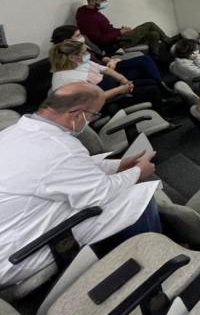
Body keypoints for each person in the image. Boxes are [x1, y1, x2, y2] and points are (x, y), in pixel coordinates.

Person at [0, 84, 160, 289]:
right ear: (77, 115)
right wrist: (138, 172)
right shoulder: (60, 148)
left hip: (15, 225)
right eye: (93, 116)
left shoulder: (18, 131)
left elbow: (65, 170)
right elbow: (101, 194)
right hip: (16, 254)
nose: (92, 120)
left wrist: (118, 165)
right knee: (139, 197)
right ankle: (152, 259)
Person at [49, 39, 163, 110]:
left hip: (114, 88)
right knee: (152, 90)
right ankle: (164, 118)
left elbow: (104, 69)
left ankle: (162, 106)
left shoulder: (79, 63)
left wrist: (123, 79)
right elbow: (94, 99)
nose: (88, 54)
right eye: (84, 52)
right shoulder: (68, 79)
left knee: (152, 81)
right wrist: (120, 90)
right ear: (72, 57)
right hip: (105, 102)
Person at [51, 24, 163, 91]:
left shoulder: (81, 47)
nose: (82, 37)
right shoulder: (69, 58)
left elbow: (100, 56)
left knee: (145, 60)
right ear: (67, 41)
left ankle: (161, 87)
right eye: (78, 35)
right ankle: (161, 88)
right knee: (144, 69)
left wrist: (110, 60)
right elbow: (93, 76)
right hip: (104, 78)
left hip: (107, 67)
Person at [75, 0, 178, 58]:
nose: (106, 2)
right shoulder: (87, 18)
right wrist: (120, 32)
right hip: (114, 44)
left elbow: (106, 30)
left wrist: (120, 30)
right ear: (92, 1)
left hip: (116, 37)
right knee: (150, 24)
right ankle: (170, 43)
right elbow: (100, 39)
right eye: (103, 0)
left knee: (153, 35)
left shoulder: (90, 12)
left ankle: (156, 57)